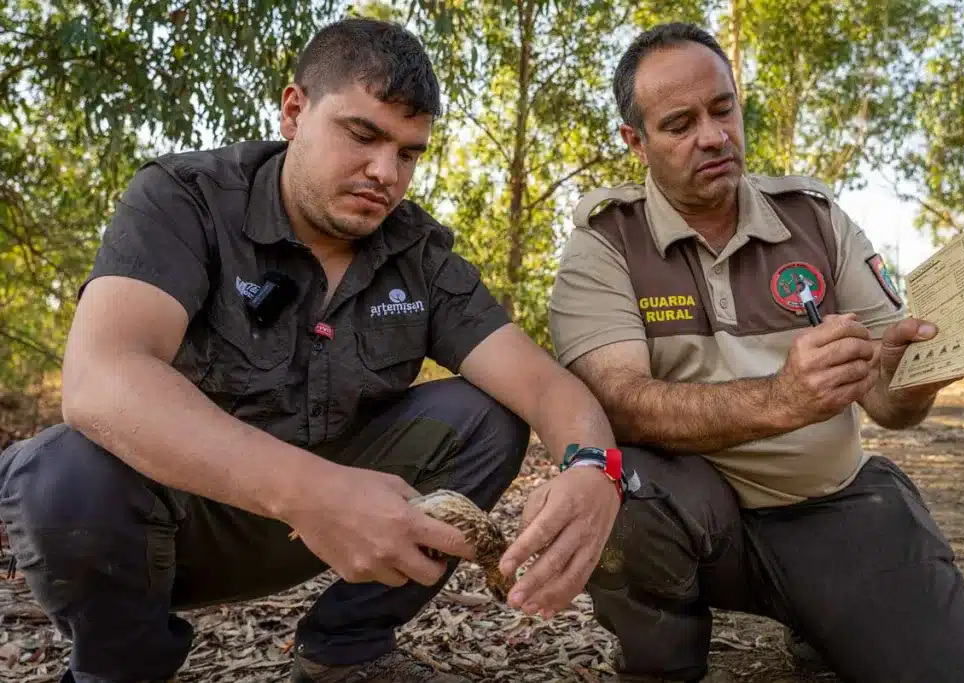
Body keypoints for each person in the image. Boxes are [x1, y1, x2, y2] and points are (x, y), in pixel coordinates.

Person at [0, 18, 625, 683]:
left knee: (488, 416)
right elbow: (101, 376)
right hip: (176, 527)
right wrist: (313, 493)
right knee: (59, 473)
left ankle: (345, 651)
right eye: (362, 135)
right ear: (295, 111)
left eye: (408, 154)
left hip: (330, 526)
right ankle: (118, 669)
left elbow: (544, 386)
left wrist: (596, 469)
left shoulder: (418, 255)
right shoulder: (186, 199)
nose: (385, 173)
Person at [548, 22, 964, 683]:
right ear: (636, 142)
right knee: (620, 488)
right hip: (694, 516)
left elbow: (890, 405)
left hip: (831, 505)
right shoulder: (606, 242)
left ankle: (821, 613)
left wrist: (916, 373)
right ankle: (660, 663)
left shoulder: (814, 216)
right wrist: (782, 400)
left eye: (723, 109)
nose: (714, 136)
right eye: (680, 124)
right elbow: (618, 404)